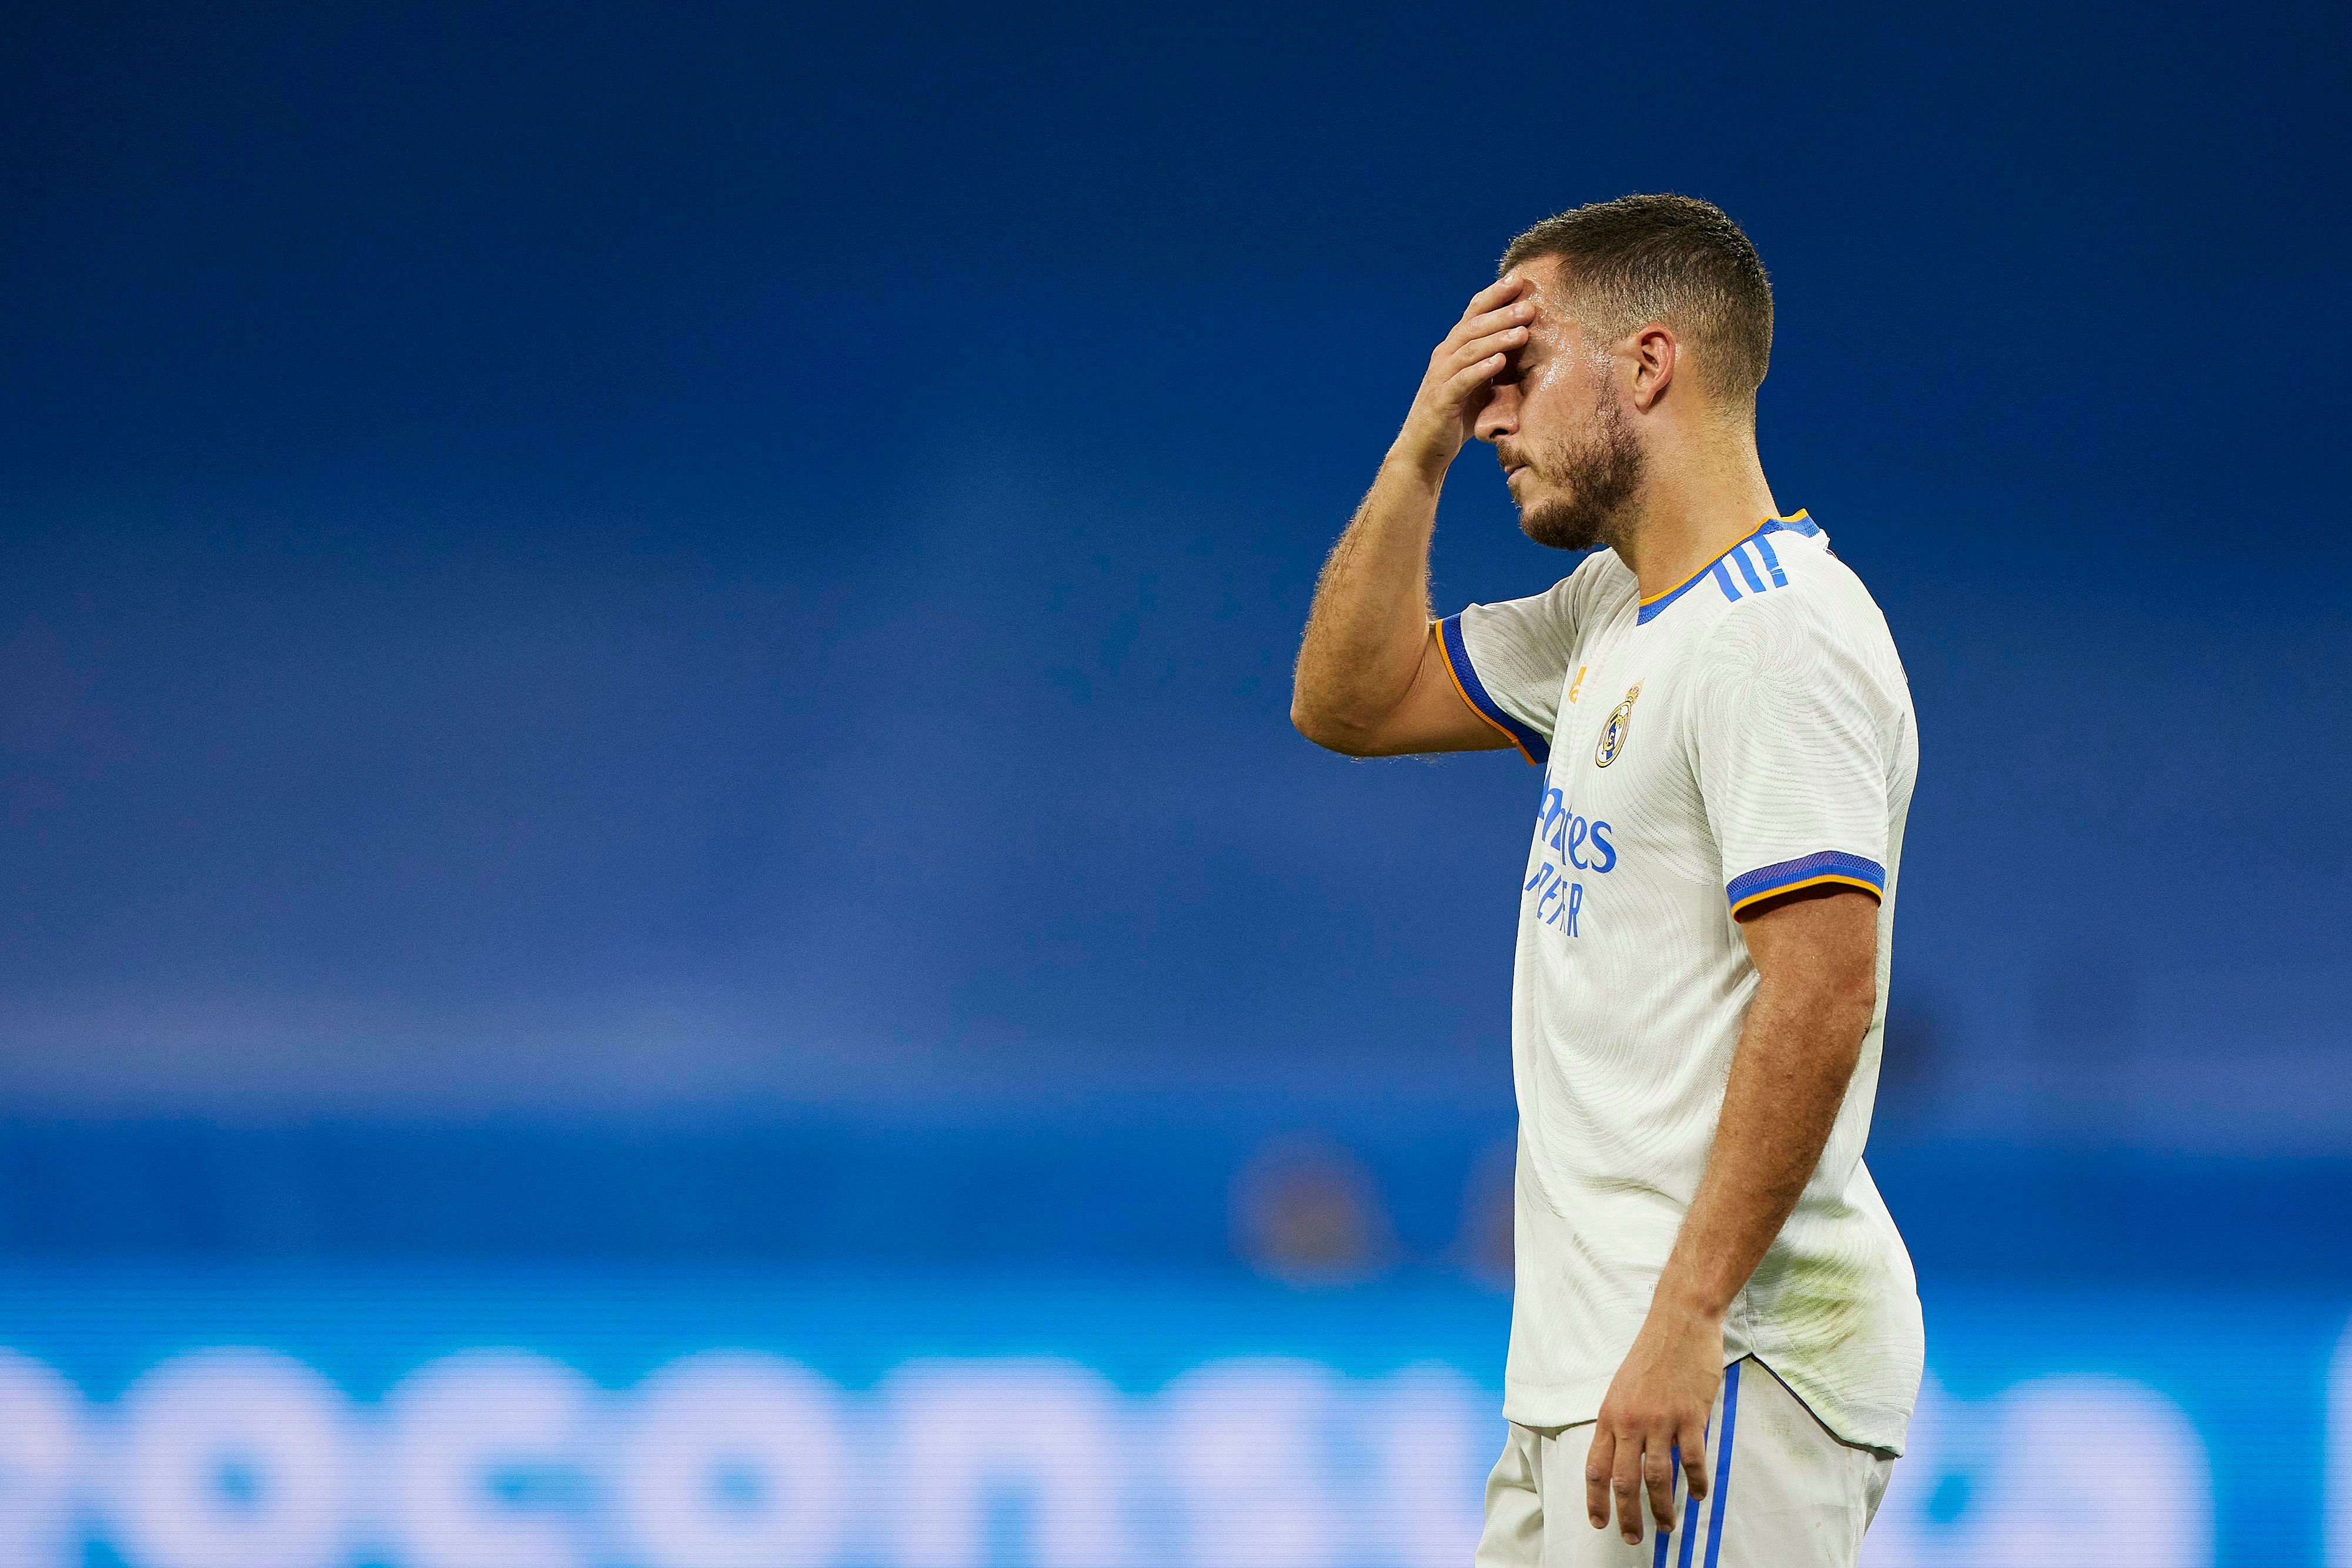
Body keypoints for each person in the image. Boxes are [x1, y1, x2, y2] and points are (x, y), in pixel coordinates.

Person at [1290, 194, 1923, 1567]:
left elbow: (1820, 993)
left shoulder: (1779, 635)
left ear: (1646, 367)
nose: (1491, 416)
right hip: (1583, 1370)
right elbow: (1347, 700)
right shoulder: (1614, 612)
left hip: (1715, 1358)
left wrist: (1687, 1319)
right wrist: (1414, 453)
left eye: (1517, 374)